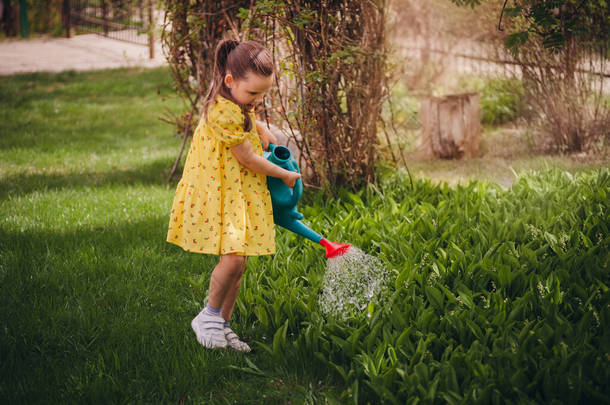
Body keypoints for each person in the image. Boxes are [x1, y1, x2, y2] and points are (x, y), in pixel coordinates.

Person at [166, 39, 301, 352]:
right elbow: (249, 159)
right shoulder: (222, 112)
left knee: (238, 264)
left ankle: (222, 325)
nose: (256, 99)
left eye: (262, 93)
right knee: (233, 259)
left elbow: (248, 119)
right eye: (253, 93)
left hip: (235, 189)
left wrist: (262, 128)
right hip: (220, 191)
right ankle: (208, 316)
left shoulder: (238, 101)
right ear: (230, 81)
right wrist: (283, 174)